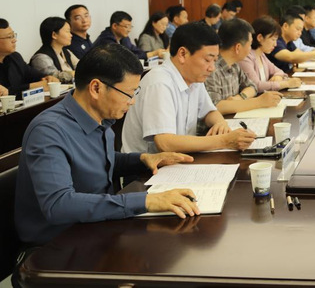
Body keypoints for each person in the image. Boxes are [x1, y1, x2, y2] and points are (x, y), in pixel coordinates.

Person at [15, 44, 200, 249]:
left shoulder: (100, 118)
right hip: (56, 245)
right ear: (96, 88)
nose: (132, 101)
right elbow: (59, 205)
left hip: (97, 227)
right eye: (129, 93)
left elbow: (99, 160)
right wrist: (147, 201)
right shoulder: (49, 131)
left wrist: (142, 159)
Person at [122, 23, 255, 154]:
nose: (212, 68)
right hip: (145, 166)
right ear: (182, 54)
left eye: (215, 60)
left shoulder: (194, 78)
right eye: (207, 60)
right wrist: (224, 141)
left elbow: (209, 112)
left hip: (180, 158)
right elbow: (165, 143)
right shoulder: (160, 83)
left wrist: (220, 123)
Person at [204, 18, 283, 115]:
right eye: (250, 45)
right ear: (238, 47)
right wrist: (259, 102)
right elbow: (215, 106)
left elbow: (252, 86)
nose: (250, 49)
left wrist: (240, 98)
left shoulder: (235, 65)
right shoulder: (212, 69)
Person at [240, 15, 302, 92]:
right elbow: (256, 86)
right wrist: (286, 84)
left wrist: (278, 77)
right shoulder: (246, 57)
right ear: (260, 37)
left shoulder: (261, 55)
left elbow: (280, 72)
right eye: (273, 39)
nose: (275, 44)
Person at [0, 19, 56, 98]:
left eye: (13, 35)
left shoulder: (15, 57)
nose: (14, 40)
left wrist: (47, 78)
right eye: (10, 37)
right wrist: (32, 86)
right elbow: (5, 92)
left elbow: (34, 75)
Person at [93, 11, 165, 61]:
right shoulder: (106, 39)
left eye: (130, 27)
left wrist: (150, 54)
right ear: (114, 26)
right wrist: (151, 54)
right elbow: (123, 58)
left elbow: (135, 50)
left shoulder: (124, 37)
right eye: (126, 26)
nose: (129, 30)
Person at [30, 17, 79, 84]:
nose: (71, 35)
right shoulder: (41, 58)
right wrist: (75, 74)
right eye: (67, 31)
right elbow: (55, 77)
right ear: (54, 35)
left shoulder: (66, 52)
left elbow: (81, 66)